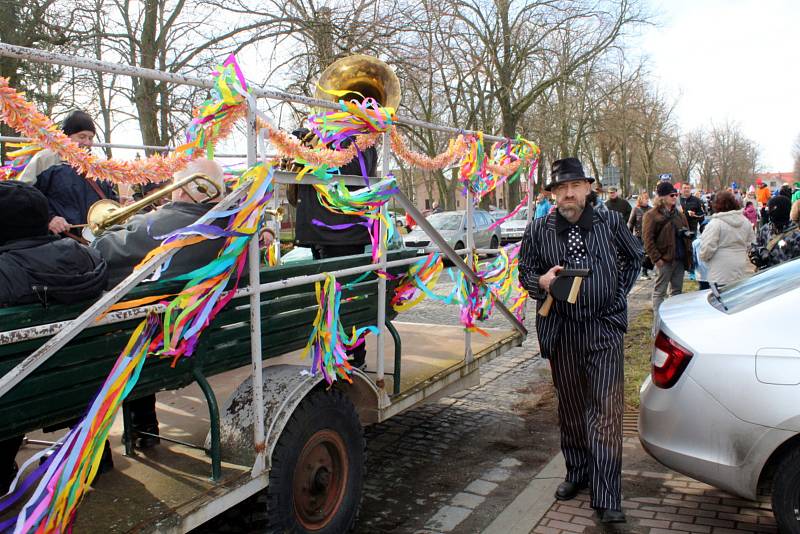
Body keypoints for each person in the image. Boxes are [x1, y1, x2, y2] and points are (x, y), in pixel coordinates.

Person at [518, 157, 642, 524]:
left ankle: (607, 498)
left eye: (575, 187)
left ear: (588, 188)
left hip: (603, 328)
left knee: (606, 410)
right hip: (562, 329)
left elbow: (635, 258)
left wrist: (618, 295)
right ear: (553, 194)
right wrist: (539, 282)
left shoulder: (611, 222)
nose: (568, 194)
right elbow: (524, 270)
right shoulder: (539, 229)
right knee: (571, 407)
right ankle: (577, 471)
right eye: (561, 189)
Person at [91, 158, 228, 449]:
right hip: (200, 332)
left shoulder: (161, 221)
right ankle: (145, 425)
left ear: (181, 190)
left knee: (119, 331)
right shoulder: (232, 222)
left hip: (154, 339)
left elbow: (102, 249)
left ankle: (119, 439)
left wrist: (104, 232)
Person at [0, 181, 108, 493]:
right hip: (84, 383)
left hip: (15, 395)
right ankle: (89, 456)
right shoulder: (87, 256)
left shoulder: (6, 271)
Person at [289, 128, 377, 369]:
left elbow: (349, 171)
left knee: (344, 299)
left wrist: (312, 150)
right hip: (321, 233)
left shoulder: (361, 140)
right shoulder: (331, 138)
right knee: (327, 301)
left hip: (341, 236)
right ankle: (332, 356)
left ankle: (352, 357)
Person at [19, 110, 118, 240]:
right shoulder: (46, 159)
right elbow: (23, 195)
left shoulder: (96, 166)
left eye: (90, 138)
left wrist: (119, 205)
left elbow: (109, 199)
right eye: (82, 137)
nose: (88, 143)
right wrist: (50, 218)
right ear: (66, 136)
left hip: (97, 241)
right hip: (58, 241)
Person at [642, 182, 693, 313]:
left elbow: (687, 233)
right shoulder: (651, 215)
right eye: (672, 195)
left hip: (679, 259)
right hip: (664, 261)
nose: (675, 197)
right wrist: (657, 259)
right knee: (660, 293)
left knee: (676, 293)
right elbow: (648, 240)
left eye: (676, 194)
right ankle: (658, 326)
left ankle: (673, 322)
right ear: (662, 197)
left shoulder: (679, 215)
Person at [698, 191, 754, 287]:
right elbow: (751, 243)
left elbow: (707, 248)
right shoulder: (745, 222)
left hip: (720, 271)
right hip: (741, 268)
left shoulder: (715, 224)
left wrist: (704, 258)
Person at [749, 195, 800, 270]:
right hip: (765, 274)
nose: (769, 213)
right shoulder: (765, 229)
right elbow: (755, 245)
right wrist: (759, 253)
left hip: (785, 277)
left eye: (771, 210)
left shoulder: (796, 235)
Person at [628, 192, 652, 279]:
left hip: (648, 235)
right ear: (640, 199)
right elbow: (630, 223)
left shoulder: (651, 209)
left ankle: (644, 273)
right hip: (638, 235)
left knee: (647, 254)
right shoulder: (635, 209)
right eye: (645, 198)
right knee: (639, 254)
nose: (647, 200)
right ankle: (635, 272)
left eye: (647, 198)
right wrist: (628, 235)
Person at [692, 222, 710, 290]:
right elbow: (693, 258)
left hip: (709, 273)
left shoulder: (695, 242)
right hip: (702, 273)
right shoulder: (696, 243)